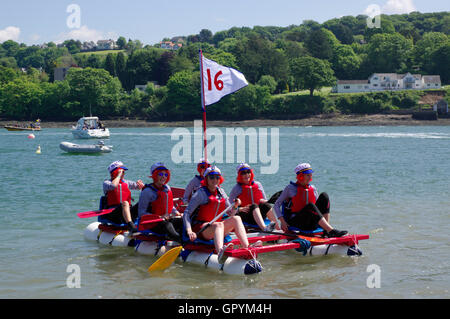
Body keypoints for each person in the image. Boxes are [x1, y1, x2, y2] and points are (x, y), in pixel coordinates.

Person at [183, 166, 258, 264]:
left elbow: (231, 213)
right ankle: (220, 253)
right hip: (202, 229)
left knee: (237, 218)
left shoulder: (221, 192)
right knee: (219, 224)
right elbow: (186, 213)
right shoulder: (200, 193)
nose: (215, 180)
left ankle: (247, 248)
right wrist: (189, 231)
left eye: (217, 177)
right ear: (206, 179)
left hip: (217, 228)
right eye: (212, 177)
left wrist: (235, 206)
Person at [273, 163, 348, 238]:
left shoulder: (313, 188)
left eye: (311, 175)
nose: (310, 177)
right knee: (311, 206)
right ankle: (331, 231)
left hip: (310, 221)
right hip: (297, 222)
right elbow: (276, 205)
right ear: (301, 176)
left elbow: (317, 209)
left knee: (324, 196)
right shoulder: (290, 188)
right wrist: (282, 222)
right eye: (308, 175)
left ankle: (326, 231)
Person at [137, 162, 183, 242]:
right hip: (152, 224)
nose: (164, 177)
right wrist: (159, 217)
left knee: (182, 221)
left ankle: (183, 239)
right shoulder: (147, 192)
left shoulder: (167, 188)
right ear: (154, 175)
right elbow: (141, 213)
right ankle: (181, 242)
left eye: (166, 175)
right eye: (160, 174)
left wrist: (177, 213)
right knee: (167, 225)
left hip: (166, 220)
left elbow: (169, 205)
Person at [229, 163, 280, 232]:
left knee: (266, 205)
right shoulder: (237, 188)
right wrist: (239, 209)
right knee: (254, 205)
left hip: (259, 214)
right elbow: (229, 206)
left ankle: (278, 229)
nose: (246, 175)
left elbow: (264, 200)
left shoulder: (258, 184)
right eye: (243, 173)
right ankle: (264, 228)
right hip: (246, 216)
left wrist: (268, 201)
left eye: (248, 172)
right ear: (239, 175)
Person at [103, 161, 144, 234]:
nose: (123, 174)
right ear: (115, 172)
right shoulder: (106, 183)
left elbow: (137, 187)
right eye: (122, 172)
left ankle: (147, 225)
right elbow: (113, 186)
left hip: (128, 213)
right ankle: (131, 226)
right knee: (125, 203)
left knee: (143, 202)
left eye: (124, 172)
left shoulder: (126, 182)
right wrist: (118, 175)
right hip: (114, 214)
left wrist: (141, 185)